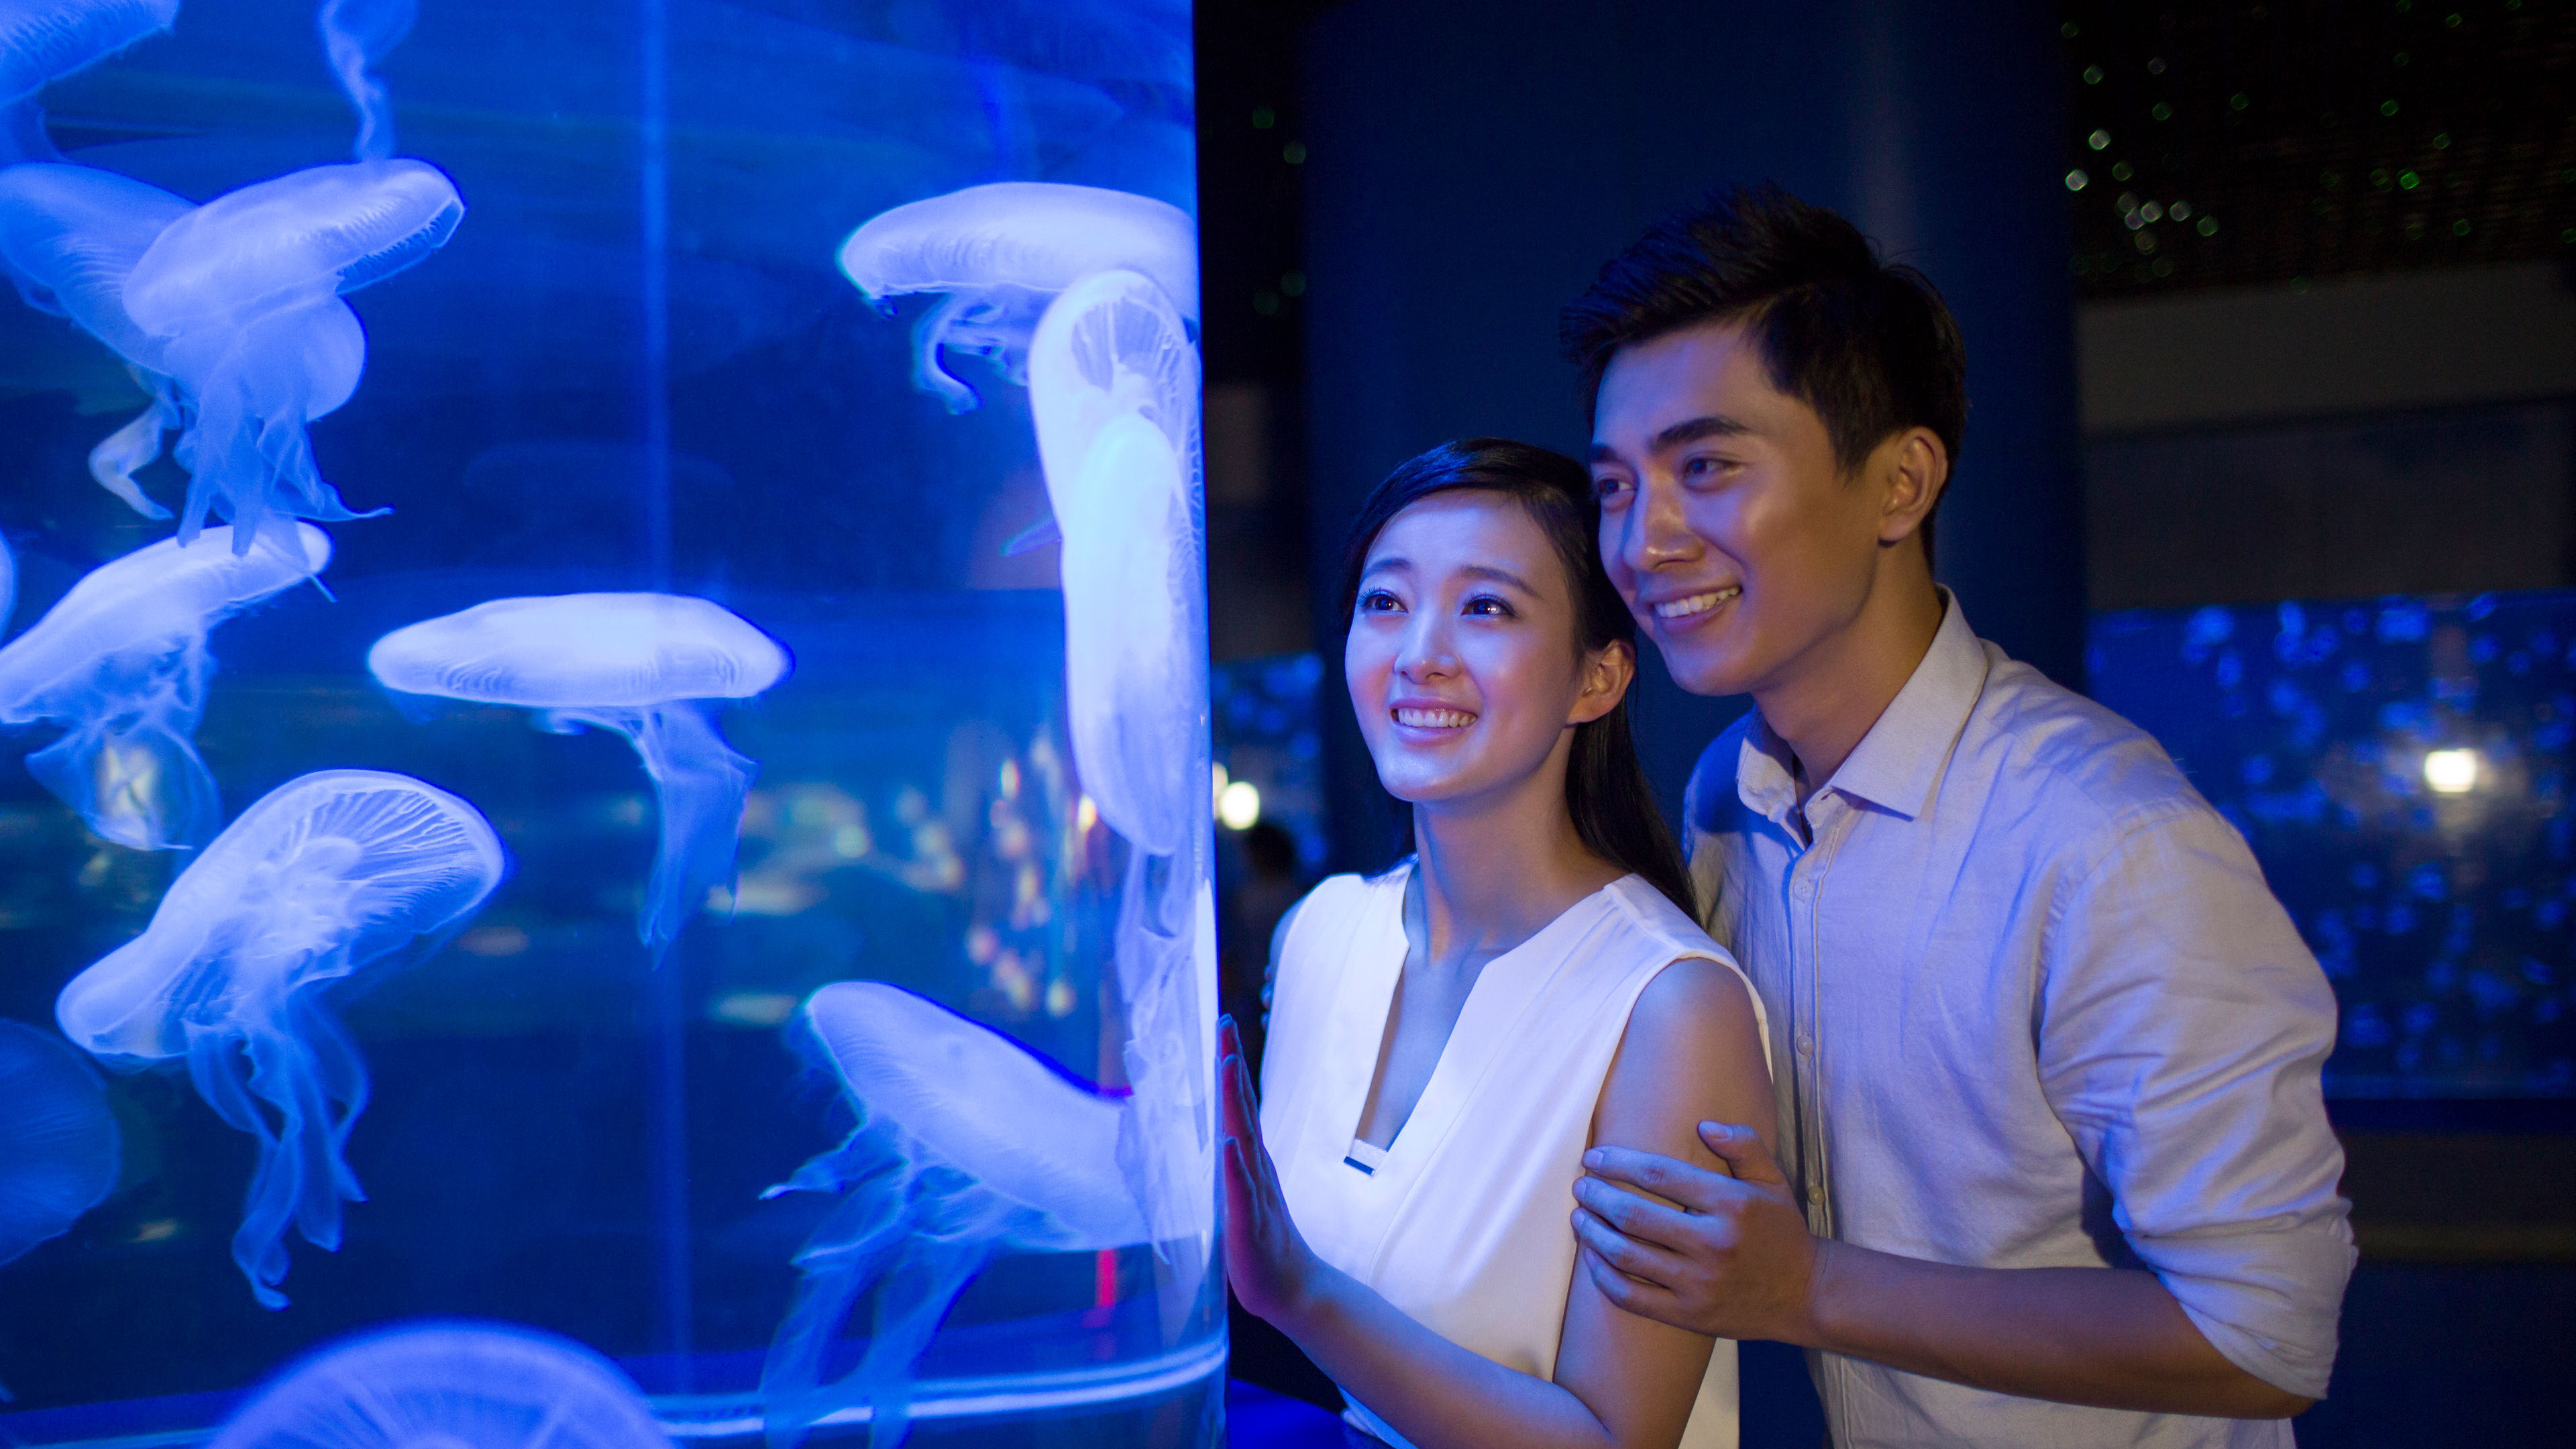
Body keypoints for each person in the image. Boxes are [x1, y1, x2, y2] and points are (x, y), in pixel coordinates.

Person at [1557, 185, 2354, 1447]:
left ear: (1899, 483)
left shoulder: (2108, 842)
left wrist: (1805, 1287)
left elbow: (2266, 1337)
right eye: (1614, 486)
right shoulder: (1731, 789)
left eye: (1704, 467)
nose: (1643, 541)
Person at [1220, 439, 1777, 1449]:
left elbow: (1619, 1439)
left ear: (1597, 679)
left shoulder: (1670, 1006)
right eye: (1385, 603)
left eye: (1486, 608)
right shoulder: (1322, 932)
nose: (1419, 652)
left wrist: (1295, 1292)